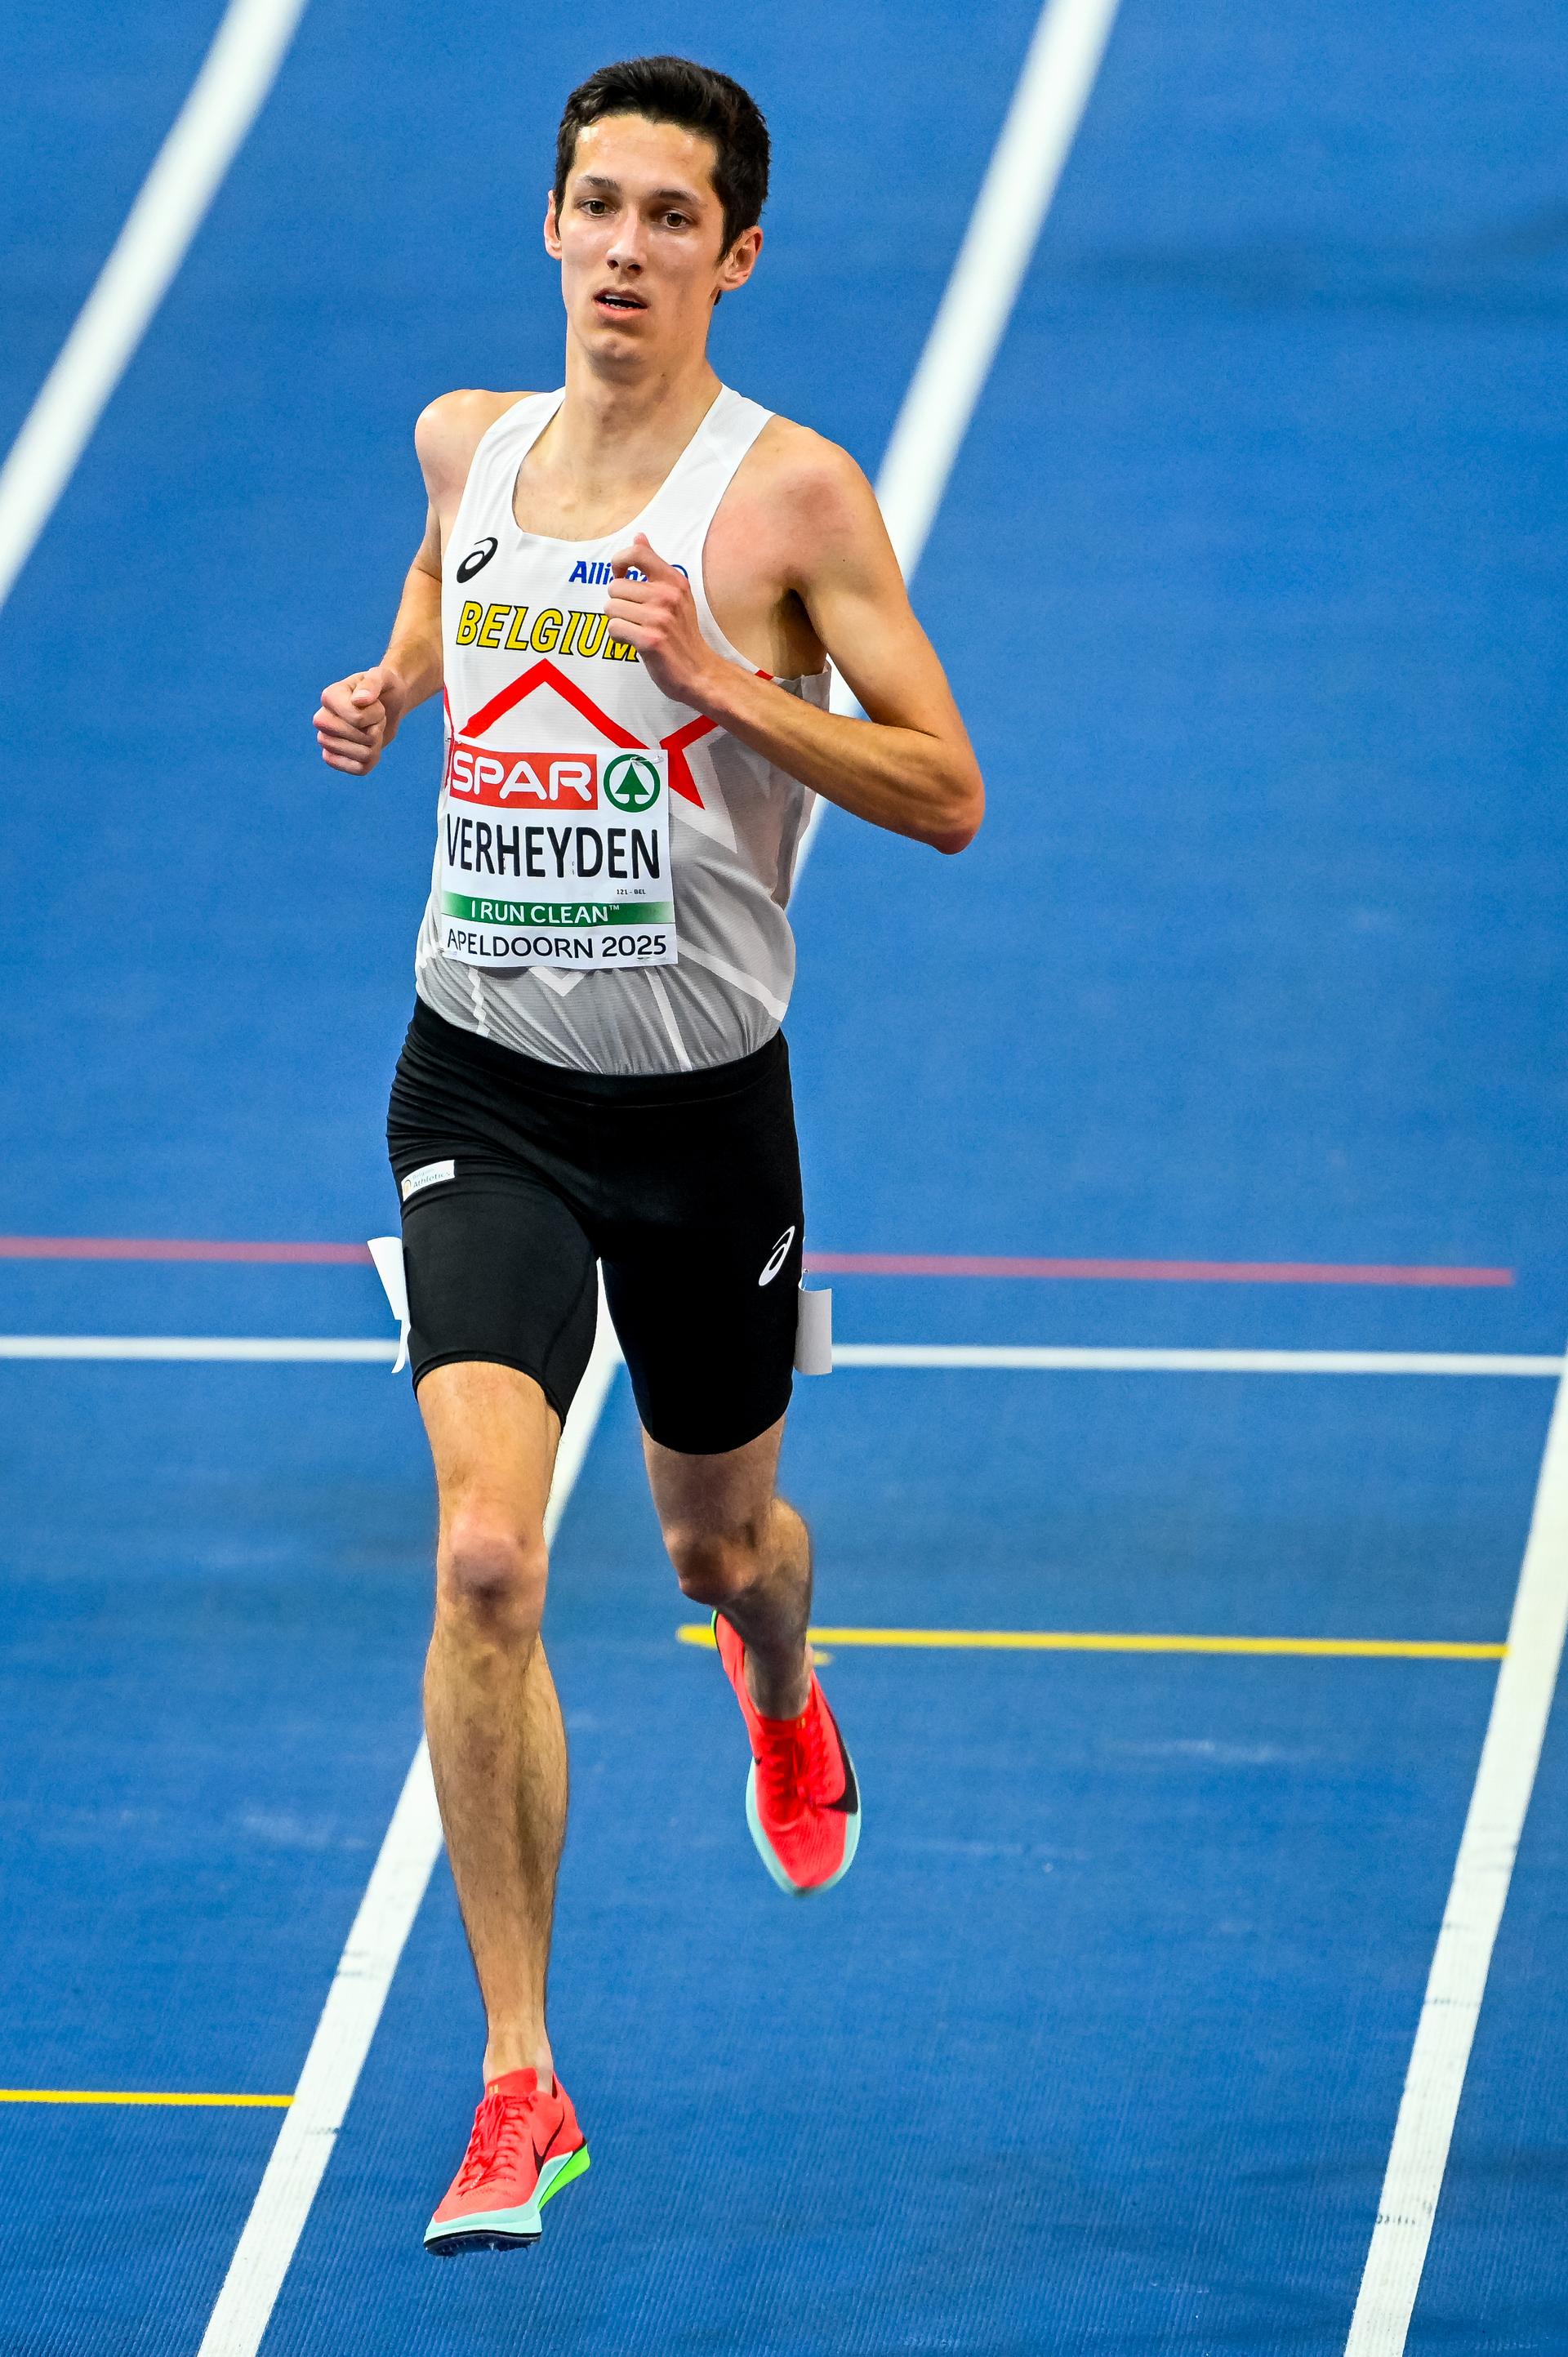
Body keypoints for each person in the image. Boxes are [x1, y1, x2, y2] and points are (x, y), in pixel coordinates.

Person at [314, 53, 982, 2258]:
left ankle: (781, 1682)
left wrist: (720, 680)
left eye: (668, 218)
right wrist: (405, 674)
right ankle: (521, 2080)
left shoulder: (787, 502)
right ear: (548, 224)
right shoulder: (467, 438)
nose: (622, 247)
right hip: (481, 1080)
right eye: (593, 205)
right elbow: (444, 566)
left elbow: (946, 787)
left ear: (735, 253)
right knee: (487, 1562)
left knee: (718, 1547)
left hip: (703, 1120)